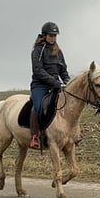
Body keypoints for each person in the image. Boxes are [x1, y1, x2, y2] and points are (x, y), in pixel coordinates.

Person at [29, 21, 71, 149]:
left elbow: (63, 70)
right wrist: (54, 82)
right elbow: (38, 70)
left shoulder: (58, 51)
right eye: (50, 35)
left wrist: (68, 82)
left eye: (54, 36)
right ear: (44, 35)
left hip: (56, 86)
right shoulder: (37, 51)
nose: (53, 38)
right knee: (38, 106)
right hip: (40, 86)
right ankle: (35, 136)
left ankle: (70, 134)